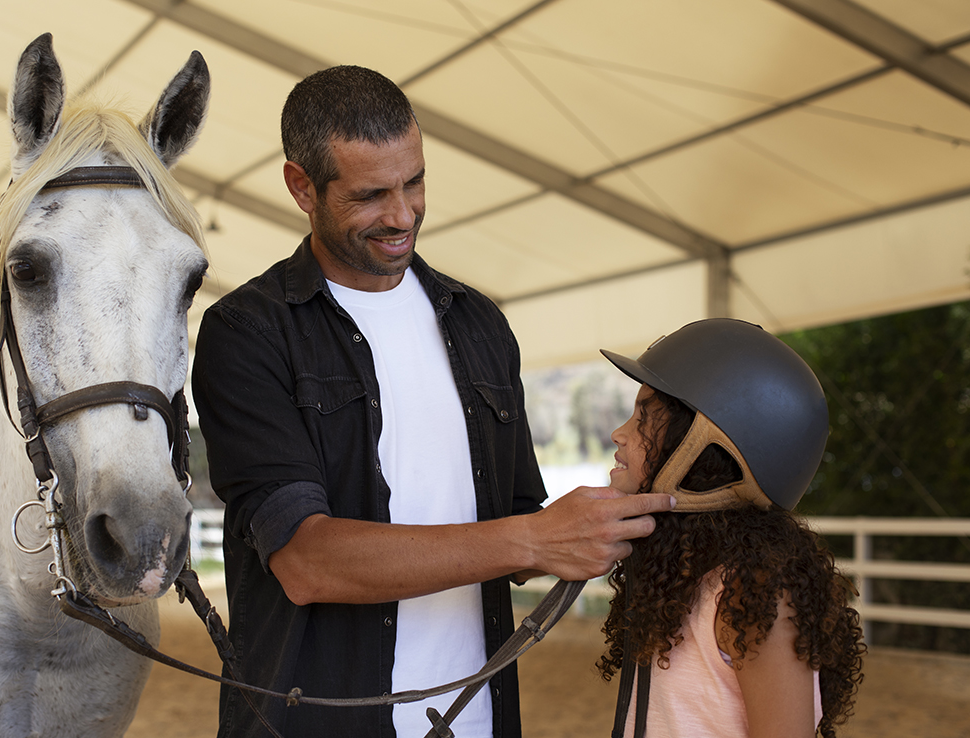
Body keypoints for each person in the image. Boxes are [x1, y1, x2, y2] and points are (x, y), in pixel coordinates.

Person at [191, 65, 674, 738]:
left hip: (476, 720)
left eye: (414, 181)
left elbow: (517, 528)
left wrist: (597, 527)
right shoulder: (247, 333)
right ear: (302, 186)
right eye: (370, 194)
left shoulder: (479, 323)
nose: (402, 214)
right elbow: (306, 561)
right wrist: (532, 537)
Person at [595, 318, 865, 738]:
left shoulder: (755, 591)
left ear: (706, 446)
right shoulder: (678, 572)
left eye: (643, 419)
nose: (620, 434)